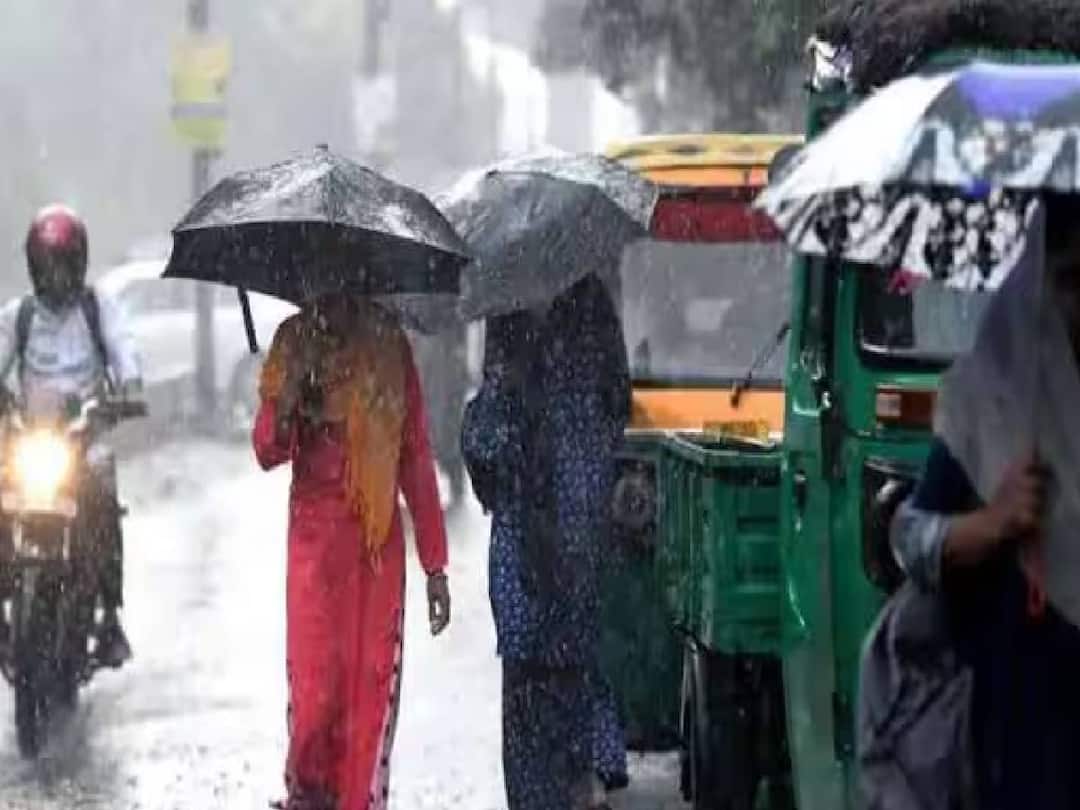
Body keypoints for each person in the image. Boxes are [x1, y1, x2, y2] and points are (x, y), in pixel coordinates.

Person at [888, 196, 1080, 808]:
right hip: (1020, 717)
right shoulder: (991, 401)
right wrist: (993, 522)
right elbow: (910, 539)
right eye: (1072, 282)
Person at [253, 295, 451, 810]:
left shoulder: (389, 348)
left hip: (374, 555)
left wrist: (436, 565)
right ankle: (308, 794)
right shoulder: (292, 344)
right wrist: (290, 403)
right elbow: (265, 451)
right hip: (314, 552)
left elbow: (415, 455)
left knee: (366, 699)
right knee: (316, 698)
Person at [462, 274, 631, 810]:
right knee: (574, 667)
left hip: (534, 551)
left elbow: (484, 449)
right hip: (573, 532)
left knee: (532, 692)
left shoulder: (508, 313)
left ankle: (560, 787)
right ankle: (587, 777)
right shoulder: (590, 304)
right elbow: (619, 402)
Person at [0, 204, 142, 668]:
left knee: (103, 499)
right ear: (34, 266)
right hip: (31, 437)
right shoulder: (18, 316)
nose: (57, 275)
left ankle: (109, 619)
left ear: (79, 263)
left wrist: (130, 387)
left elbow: (124, 348)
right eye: (47, 265)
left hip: (85, 437)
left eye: (64, 264)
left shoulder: (99, 308)